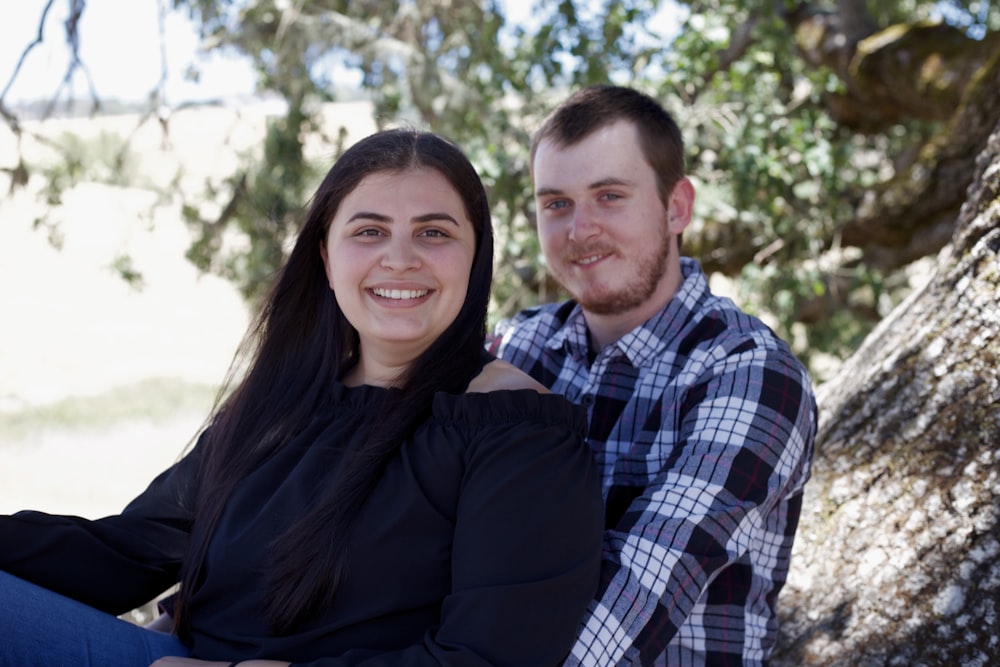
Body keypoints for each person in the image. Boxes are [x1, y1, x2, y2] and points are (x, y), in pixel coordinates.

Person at [0, 128, 605, 667]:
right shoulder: (282, 403)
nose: (400, 258)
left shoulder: (514, 431)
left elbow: (491, 655)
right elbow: (124, 555)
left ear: (476, 257)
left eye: (434, 232)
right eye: (369, 231)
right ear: (325, 253)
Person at [489, 85, 818, 665]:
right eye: (555, 203)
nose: (578, 229)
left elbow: (621, 619)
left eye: (609, 196)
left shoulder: (748, 373)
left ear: (677, 207)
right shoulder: (513, 349)